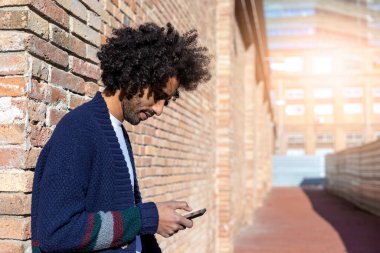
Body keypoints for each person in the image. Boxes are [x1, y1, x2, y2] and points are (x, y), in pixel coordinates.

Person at [31, 22, 211, 253]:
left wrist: (152, 217)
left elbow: (119, 220)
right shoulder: (79, 130)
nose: (159, 109)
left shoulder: (116, 132)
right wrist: (146, 217)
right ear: (133, 76)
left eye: (166, 100)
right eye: (157, 96)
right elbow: (57, 233)